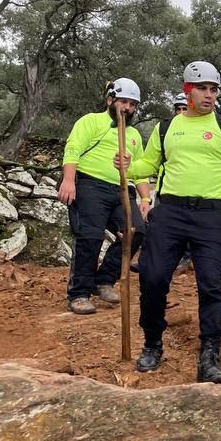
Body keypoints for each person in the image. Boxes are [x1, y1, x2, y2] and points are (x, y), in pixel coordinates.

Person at [121, 61, 221, 383]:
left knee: (211, 285)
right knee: (152, 278)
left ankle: (209, 355)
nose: (209, 95)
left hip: (211, 217)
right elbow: (147, 165)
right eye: (202, 88)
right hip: (169, 213)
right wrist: (128, 164)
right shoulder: (166, 129)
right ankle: (153, 342)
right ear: (187, 90)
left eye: (214, 89)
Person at [58, 77, 150, 315]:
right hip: (89, 185)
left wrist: (146, 199)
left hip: (121, 189)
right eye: (123, 102)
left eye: (133, 104)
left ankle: (104, 279)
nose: (128, 108)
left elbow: (140, 170)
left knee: (136, 231)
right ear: (110, 100)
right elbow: (73, 149)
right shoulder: (91, 121)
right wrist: (69, 180)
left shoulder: (135, 136)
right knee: (90, 236)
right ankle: (79, 293)